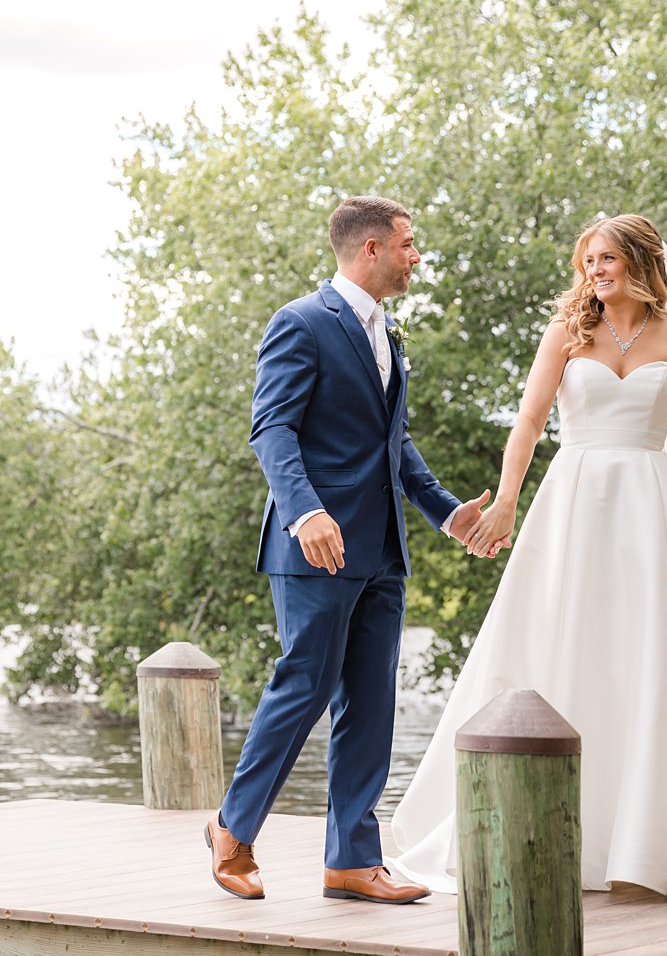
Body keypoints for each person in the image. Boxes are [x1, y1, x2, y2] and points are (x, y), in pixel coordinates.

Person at [390, 213, 667, 898]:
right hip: (576, 504)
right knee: (566, 646)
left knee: (654, 656)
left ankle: (652, 840)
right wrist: (505, 501)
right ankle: (554, 826)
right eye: (589, 259)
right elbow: (530, 422)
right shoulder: (566, 333)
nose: (596, 270)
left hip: (654, 509)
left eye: (610, 259)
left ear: (642, 262)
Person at [206, 196, 496, 905]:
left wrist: (445, 513)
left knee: (370, 701)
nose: (415, 256)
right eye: (408, 243)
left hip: (382, 549)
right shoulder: (300, 323)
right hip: (314, 548)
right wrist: (304, 510)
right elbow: (271, 429)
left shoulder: (388, 334)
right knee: (303, 686)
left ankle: (352, 860)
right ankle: (232, 829)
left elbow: (391, 442)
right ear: (370, 248)